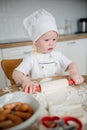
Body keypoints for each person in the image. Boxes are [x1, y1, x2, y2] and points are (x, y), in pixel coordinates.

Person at [12, 9, 84, 93]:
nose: (51, 44)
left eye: (54, 39)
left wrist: (74, 72)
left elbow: (71, 64)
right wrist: (25, 80)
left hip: (59, 89)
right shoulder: (31, 58)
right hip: (40, 91)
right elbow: (16, 73)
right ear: (35, 41)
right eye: (46, 40)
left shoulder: (58, 55)